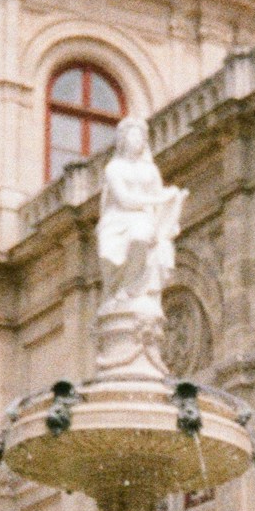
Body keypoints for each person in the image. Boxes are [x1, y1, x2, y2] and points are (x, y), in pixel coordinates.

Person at [93, 116, 182, 375]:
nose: (139, 140)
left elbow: (157, 203)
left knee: (143, 234)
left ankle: (134, 290)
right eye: (134, 135)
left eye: (142, 136)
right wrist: (157, 198)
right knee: (138, 234)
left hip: (142, 217)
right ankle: (123, 289)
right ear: (123, 139)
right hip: (117, 219)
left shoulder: (150, 170)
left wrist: (169, 200)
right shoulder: (114, 168)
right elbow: (123, 198)